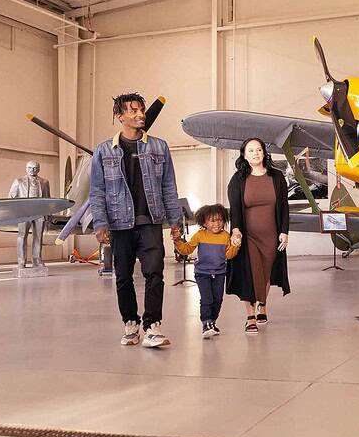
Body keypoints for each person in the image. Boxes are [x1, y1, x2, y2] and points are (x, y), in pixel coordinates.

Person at [90, 93, 182, 348]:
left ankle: (153, 326)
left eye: (141, 110)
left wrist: (175, 222)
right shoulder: (103, 150)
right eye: (133, 111)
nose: (140, 114)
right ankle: (130, 323)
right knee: (123, 276)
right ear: (120, 117)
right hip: (119, 222)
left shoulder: (159, 146)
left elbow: (169, 187)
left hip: (150, 219)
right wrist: (100, 223)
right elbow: (97, 190)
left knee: (155, 272)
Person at [227, 138, 290, 334]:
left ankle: (262, 304)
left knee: (266, 272)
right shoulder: (238, 179)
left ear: (264, 153)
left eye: (259, 150)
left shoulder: (277, 177)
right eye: (251, 150)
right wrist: (235, 229)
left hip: (271, 235)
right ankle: (250, 316)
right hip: (248, 237)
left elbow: (284, 208)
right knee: (250, 272)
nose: (255, 153)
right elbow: (235, 209)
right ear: (244, 155)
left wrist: (284, 231)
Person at [173, 204, 239, 338]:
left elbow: (229, 255)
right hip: (202, 273)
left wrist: (236, 246)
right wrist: (177, 240)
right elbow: (186, 250)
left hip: (220, 273)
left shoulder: (225, 236)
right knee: (207, 299)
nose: (217, 224)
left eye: (220, 220)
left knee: (218, 300)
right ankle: (206, 323)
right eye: (212, 220)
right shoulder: (200, 235)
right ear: (204, 222)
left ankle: (212, 322)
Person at [9, 160, 50, 268]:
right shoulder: (19, 181)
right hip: (24, 212)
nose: (32, 170)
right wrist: (14, 212)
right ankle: (21, 261)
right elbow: (11, 198)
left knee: (38, 237)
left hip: (39, 213)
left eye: (35, 168)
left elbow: (47, 199)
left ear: (39, 169)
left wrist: (47, 213)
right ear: (26, 168)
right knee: (22, 236)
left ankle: (37, 260)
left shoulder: (44, 182)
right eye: (30, 168)